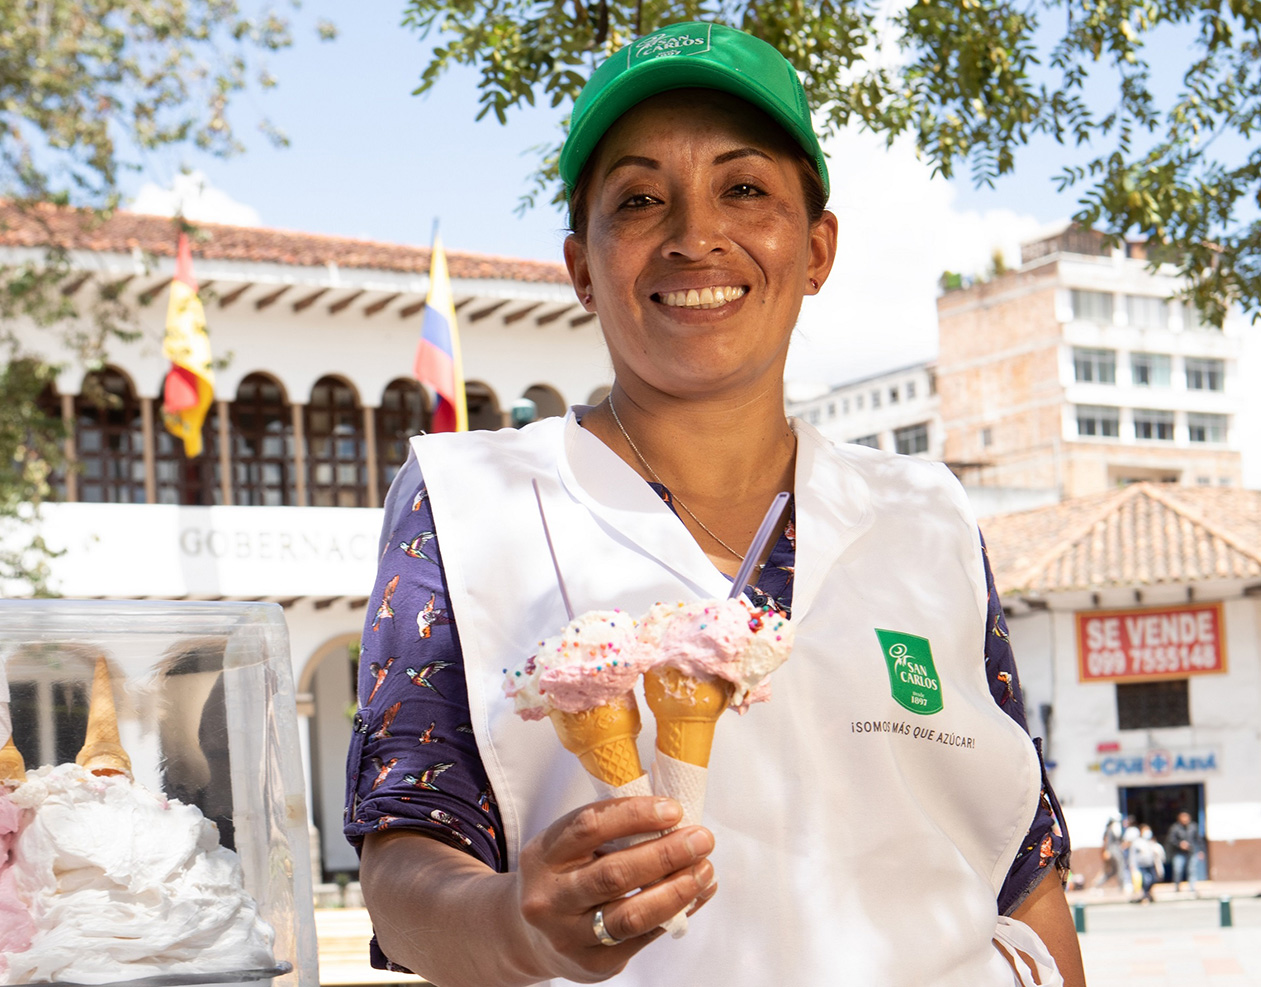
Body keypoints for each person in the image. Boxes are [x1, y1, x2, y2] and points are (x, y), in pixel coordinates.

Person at [344, 21, 1086, 987]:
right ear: (581, 266)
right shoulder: (470, 497)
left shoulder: (922, 513)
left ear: (815, 247)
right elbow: (406, 854)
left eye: (744, 189)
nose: (695, 236)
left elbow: (1019, 860)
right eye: (641, 199)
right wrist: (512, 927)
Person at [1167, 810, 1203, 893]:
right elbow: (1171, 840)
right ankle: (1177, 886)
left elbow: (1198, 839)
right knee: (1177, 869)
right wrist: (1179, 844)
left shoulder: (1193, 827)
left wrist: (1200, 850)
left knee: (1192, 869)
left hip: (1191, 851)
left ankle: (1192, 887)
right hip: (1179, 852)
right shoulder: (1175, 828)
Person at [1130, 824, 1165, 903]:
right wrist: (1132, 865)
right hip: (1141, 865)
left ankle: (1148, 893)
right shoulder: (1137, 842)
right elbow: (1132, 855)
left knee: (1154, 879)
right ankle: (1145, 895)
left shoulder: (1151, 841)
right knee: (1145, 881)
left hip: (1151, 864)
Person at [1093, 815, 1124, 892]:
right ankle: (1122, 886)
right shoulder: (1111, 830)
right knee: (1120, 867)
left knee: (1112, 871)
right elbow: (1108, 842)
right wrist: (1107, 851)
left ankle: (1098, 883)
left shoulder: (1109, 830)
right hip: (1114, 852)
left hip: (1113, 851)